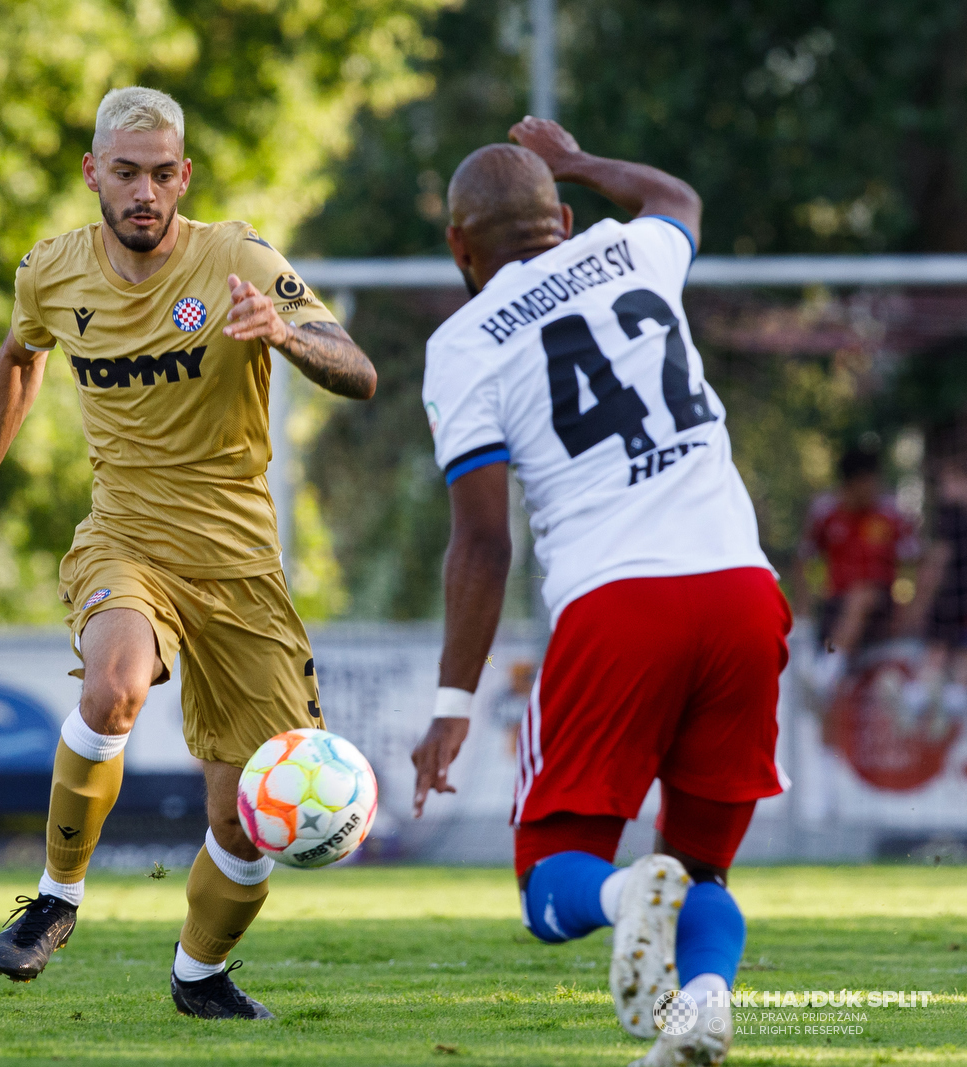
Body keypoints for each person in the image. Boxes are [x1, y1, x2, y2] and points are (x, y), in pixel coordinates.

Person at [0, 87, 377, 1020]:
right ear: (93, 173)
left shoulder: (239, 257)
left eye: (161, 173)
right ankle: (57, 898)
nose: (145, 191)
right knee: (114, 685)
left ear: (185, 175)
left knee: (246, 820)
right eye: (126, 171)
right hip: (125, 539)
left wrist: (286, 333)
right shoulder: (51, 272)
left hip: (240, 569)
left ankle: (197, 975)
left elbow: (360, 369)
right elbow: (20, 357)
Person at [410, 117, 788, 1066]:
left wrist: (454, 702)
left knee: (550, 879)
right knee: (704, 866)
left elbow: (484, 541)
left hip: (620, 604)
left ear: (460, 247)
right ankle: (700, 1007)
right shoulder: (631, 249)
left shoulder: (462, 345)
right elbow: (678, 201)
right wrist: (578, 159)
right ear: (566, 217)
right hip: (744, 591)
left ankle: (627, 898)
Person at [795, 444, 917, 694]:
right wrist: (803, 611)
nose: (875, 486)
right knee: (830, 643)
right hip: (836, 611)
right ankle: (828, 673)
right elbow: (804, 560)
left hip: (880, 607)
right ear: (852, 482)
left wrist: (909, 609)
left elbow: (916, 561)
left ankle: (824, 676)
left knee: (862, 594)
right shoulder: (825, 512)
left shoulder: (891, 514)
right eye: (870, 481)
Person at [902, 456, 967, 724]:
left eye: (950, 480)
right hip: (953, 605)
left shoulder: (950, 517)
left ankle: (927, 700)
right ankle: (938, 701)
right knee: (944, 655)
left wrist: (918, 605)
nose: (944, 489)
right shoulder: (951, 515)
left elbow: (937, 561)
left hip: (952, 603)